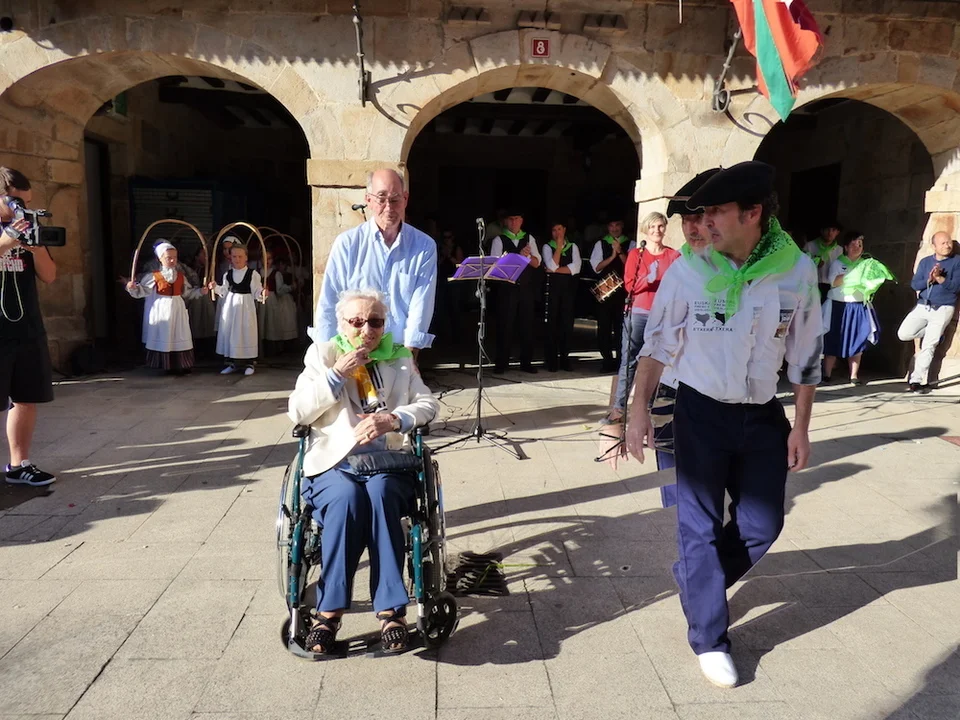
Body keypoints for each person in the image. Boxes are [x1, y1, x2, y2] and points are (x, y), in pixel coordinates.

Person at [625, 161, 822, 689]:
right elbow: (657, 344)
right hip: (700, 412)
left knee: (763, 525)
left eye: (715, 211)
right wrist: (637, 410)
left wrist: (801, 427)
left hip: (762, 415)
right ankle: (710, 638)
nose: (703, 222)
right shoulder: (689, 270)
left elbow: (806, 356)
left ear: (752, 214)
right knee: (699, 527)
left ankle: (698, 579)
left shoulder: (796, 271)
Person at [287, 288, 439, 655]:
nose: (366, 329)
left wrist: (395, 418)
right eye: (356, 322)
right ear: (342, 324)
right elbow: (298, 411)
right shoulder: (322, 355)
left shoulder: (400, 357)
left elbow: (428, 404)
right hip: (335, 464)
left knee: (382, 494)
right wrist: (336, 376)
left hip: (388, 462)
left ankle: (391, 611)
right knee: (346, 501)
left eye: (375, 322)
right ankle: (328, 612)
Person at [314, 169, 438, 356]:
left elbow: (421, 304)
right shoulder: (348, 244)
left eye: (395, 199)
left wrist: (411, 354)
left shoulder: (424, 246)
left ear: (405, 199)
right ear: (369, 200)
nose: (388, 207)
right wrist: (328, 356)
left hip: (397, 350)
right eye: (381, 198)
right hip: (352, 349)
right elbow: (329, 301)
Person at [0, 168, 57, 487]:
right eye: (16, 202)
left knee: (26, 397)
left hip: (26, 325)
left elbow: (49, 276)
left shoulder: (29, 225)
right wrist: (7, 240)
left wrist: (36, 249)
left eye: (27, 202)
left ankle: (19, 465)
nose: (22, 208)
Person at [604, 212, 680, 424]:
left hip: (662, 315)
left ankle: (646, 408)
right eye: (653, 227)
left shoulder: (673, 256)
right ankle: (619, 408)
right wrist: (649, 279)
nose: (657, 231)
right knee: (629, 361)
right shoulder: (636, 255)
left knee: (656, 361)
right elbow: (630, 285)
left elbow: (678, 286)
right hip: (639, 313)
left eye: (660, 226)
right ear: (646, 229)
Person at [821, 231, 894, 385]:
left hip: (858, 306)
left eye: (860, 245)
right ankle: (826, 374)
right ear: (846, 247)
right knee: (833, 339)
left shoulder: (866, 264)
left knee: (857, 339)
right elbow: (833, 282)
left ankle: (854, 375)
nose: (857, 248)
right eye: (853, 245)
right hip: (838, 306)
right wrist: (853, 275)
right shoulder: (837, 263)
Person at [126, 241, 207, 374]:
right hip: (161, 311)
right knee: (165, 335)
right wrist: (133, 288)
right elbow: (142, 291)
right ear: (160, 259)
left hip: (178, 310)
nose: (172, 260)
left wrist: (200, 291)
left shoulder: (180, 277)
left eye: (174, 257)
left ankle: (181, 364)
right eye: (169, 258)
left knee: (179, 334)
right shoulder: (154, 276)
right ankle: (166, 365)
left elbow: (187, 293)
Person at [897, 231, 960, 394]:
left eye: (949, 242)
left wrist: (940, 279)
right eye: (943, 243)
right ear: (934, 246)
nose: (947, 246)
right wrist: (929, 280)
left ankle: (916, 381)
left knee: (929, 345)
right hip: (923, 306)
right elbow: (915, 284)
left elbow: (956, 287)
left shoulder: (957, 262)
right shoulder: (925, 262)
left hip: (943, 308)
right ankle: (937, 333)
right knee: (903, 334)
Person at [490, 209, 542, 373]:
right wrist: (518, 256)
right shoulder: (499, 239)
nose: (514, 222)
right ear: (506, 221)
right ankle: (501, 362)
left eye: (517, 218)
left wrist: (527, 257)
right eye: (511, 219)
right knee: (505, 325)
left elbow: (537, 263)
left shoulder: (529, 238)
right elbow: (495, 266)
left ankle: (526, 362)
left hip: (525, 288)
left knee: (527, 325)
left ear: (521, 221)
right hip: (507, 289)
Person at [209, 242, 265, 376]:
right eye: (234, 256)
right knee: (232, 332)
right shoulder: (228, 274)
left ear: (246, 257)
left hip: (246, 308)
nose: (237, 259)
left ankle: (249, 363)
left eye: (240, 256)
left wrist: (262, 293)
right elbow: (224, 291)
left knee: (245, 333)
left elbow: (256, 291)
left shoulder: (253, 274)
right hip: (231, 307)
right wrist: (215, 287)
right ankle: (232, 363)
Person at [590, 215, 635, 372]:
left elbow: (632, 266)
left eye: (617, 225)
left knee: (621, 327)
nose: (614, 229)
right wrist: (612, 256)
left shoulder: (631, 244)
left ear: (622, 226)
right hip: (605, 291)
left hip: (623, 292)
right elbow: (596, 267)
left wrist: (620, 252)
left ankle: (621, 360)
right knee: (604, 327)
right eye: (611, 226)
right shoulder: (600, 244)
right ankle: (606, 360)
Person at [542, 221, 582, 372]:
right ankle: (551, 360)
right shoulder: (547, 247)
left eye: (559, 229)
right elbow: (552, 265)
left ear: (564, 230)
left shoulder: (573, 247)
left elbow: (576, 268)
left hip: (568, 290)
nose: (557, 233)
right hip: (552, 291)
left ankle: (565, 358)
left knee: (566, 324)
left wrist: (555, 270)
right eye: (554, 230)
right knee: (552, 324)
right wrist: (558, 248)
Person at [258, 250, 298, 354]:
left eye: (269, 259)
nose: (267, 261)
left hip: (271, 301)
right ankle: (261, 348)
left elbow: (279, 290)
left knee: (271, 323)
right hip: (260, 300)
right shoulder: (257, 273)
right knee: (261, 322)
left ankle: (273, 349)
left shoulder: (276, 273)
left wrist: (290, 287)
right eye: (264, 258)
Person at [803, 220, 843, 300]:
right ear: (821, 231)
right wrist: (814, 263)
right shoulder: (810, 246)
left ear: (837, 232)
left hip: (832, 287)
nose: (830, 233)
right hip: (813, 285)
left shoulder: (840, 250)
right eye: (827, 229)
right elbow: (802, 266)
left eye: (833, 230)